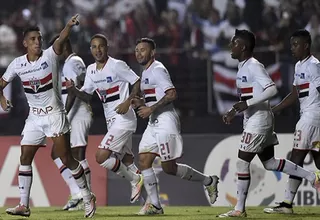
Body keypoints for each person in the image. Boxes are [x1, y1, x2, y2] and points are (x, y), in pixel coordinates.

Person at [0, 15, 96, 218]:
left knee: (67, 159)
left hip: (54, 115)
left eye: (39, 38)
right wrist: (1, 99)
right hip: (34, 118)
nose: (37, 42)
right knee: (25, 157)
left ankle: (87, 197)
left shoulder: (50, 56)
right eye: (33, 39)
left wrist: (68, 25)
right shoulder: (17, 64)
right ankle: (24, 205)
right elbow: (1, 83)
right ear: (25, 43)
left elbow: (60, 40)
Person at [217, 29, 320, 218]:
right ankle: (312, 177)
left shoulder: (254, 66)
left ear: (243, 47)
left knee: (242, 162)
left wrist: (247, 104)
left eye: (234, 43)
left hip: (262, 121)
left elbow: (271, 89)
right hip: (255, 119)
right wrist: (234, 110)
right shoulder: (243, 67)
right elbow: (249, 96)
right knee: (270, 163)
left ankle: (239, 209)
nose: (231, 47)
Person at [132, 37, 219, 215]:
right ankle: (155, 205)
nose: (139, 53)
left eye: (143, 49)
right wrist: (141, 103)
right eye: (137, 50)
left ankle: (209, 181)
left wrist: (150, 109)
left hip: (165, 121)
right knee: (143, 160)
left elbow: (172, 94)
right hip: (154, 121)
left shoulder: (158, 69)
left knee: (169, 168)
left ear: (152, 52)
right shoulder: (146, 72)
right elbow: (154, 97)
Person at [65, 34, 143, 203]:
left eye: (101, 46)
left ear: (107, 47)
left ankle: (134, 180)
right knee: (127, 160)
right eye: (94, 47)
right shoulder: (91, 70)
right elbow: (86, 96)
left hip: (124, 118)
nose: (98, 50)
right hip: (111, 121)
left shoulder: (117, 66)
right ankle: (151, 203)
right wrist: (73, 89)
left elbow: (137, 81)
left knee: (101, 157)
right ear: (90, 50)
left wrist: (128, 101)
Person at [264, 29, 320, 214]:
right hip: (312, 117)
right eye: (291, 45)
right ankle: (287, 204)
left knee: (296, 158)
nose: (292, 48)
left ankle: (287, 204)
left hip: (311, 117)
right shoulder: (298, 66)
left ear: (306, 45)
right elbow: (294, 94)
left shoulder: (314, 65)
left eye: (296, 44)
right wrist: (274, 109)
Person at [48, 35, 92, 211]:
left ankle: (87, 196)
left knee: (78, 154)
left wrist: (64, 114)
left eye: (57, 48)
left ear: (64, 45)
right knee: (57, 153)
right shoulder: (68, 64)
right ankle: (77, 194)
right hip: (72, 112)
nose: (55, 53)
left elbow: (73, 92)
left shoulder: (73, 62)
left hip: (77, 112)